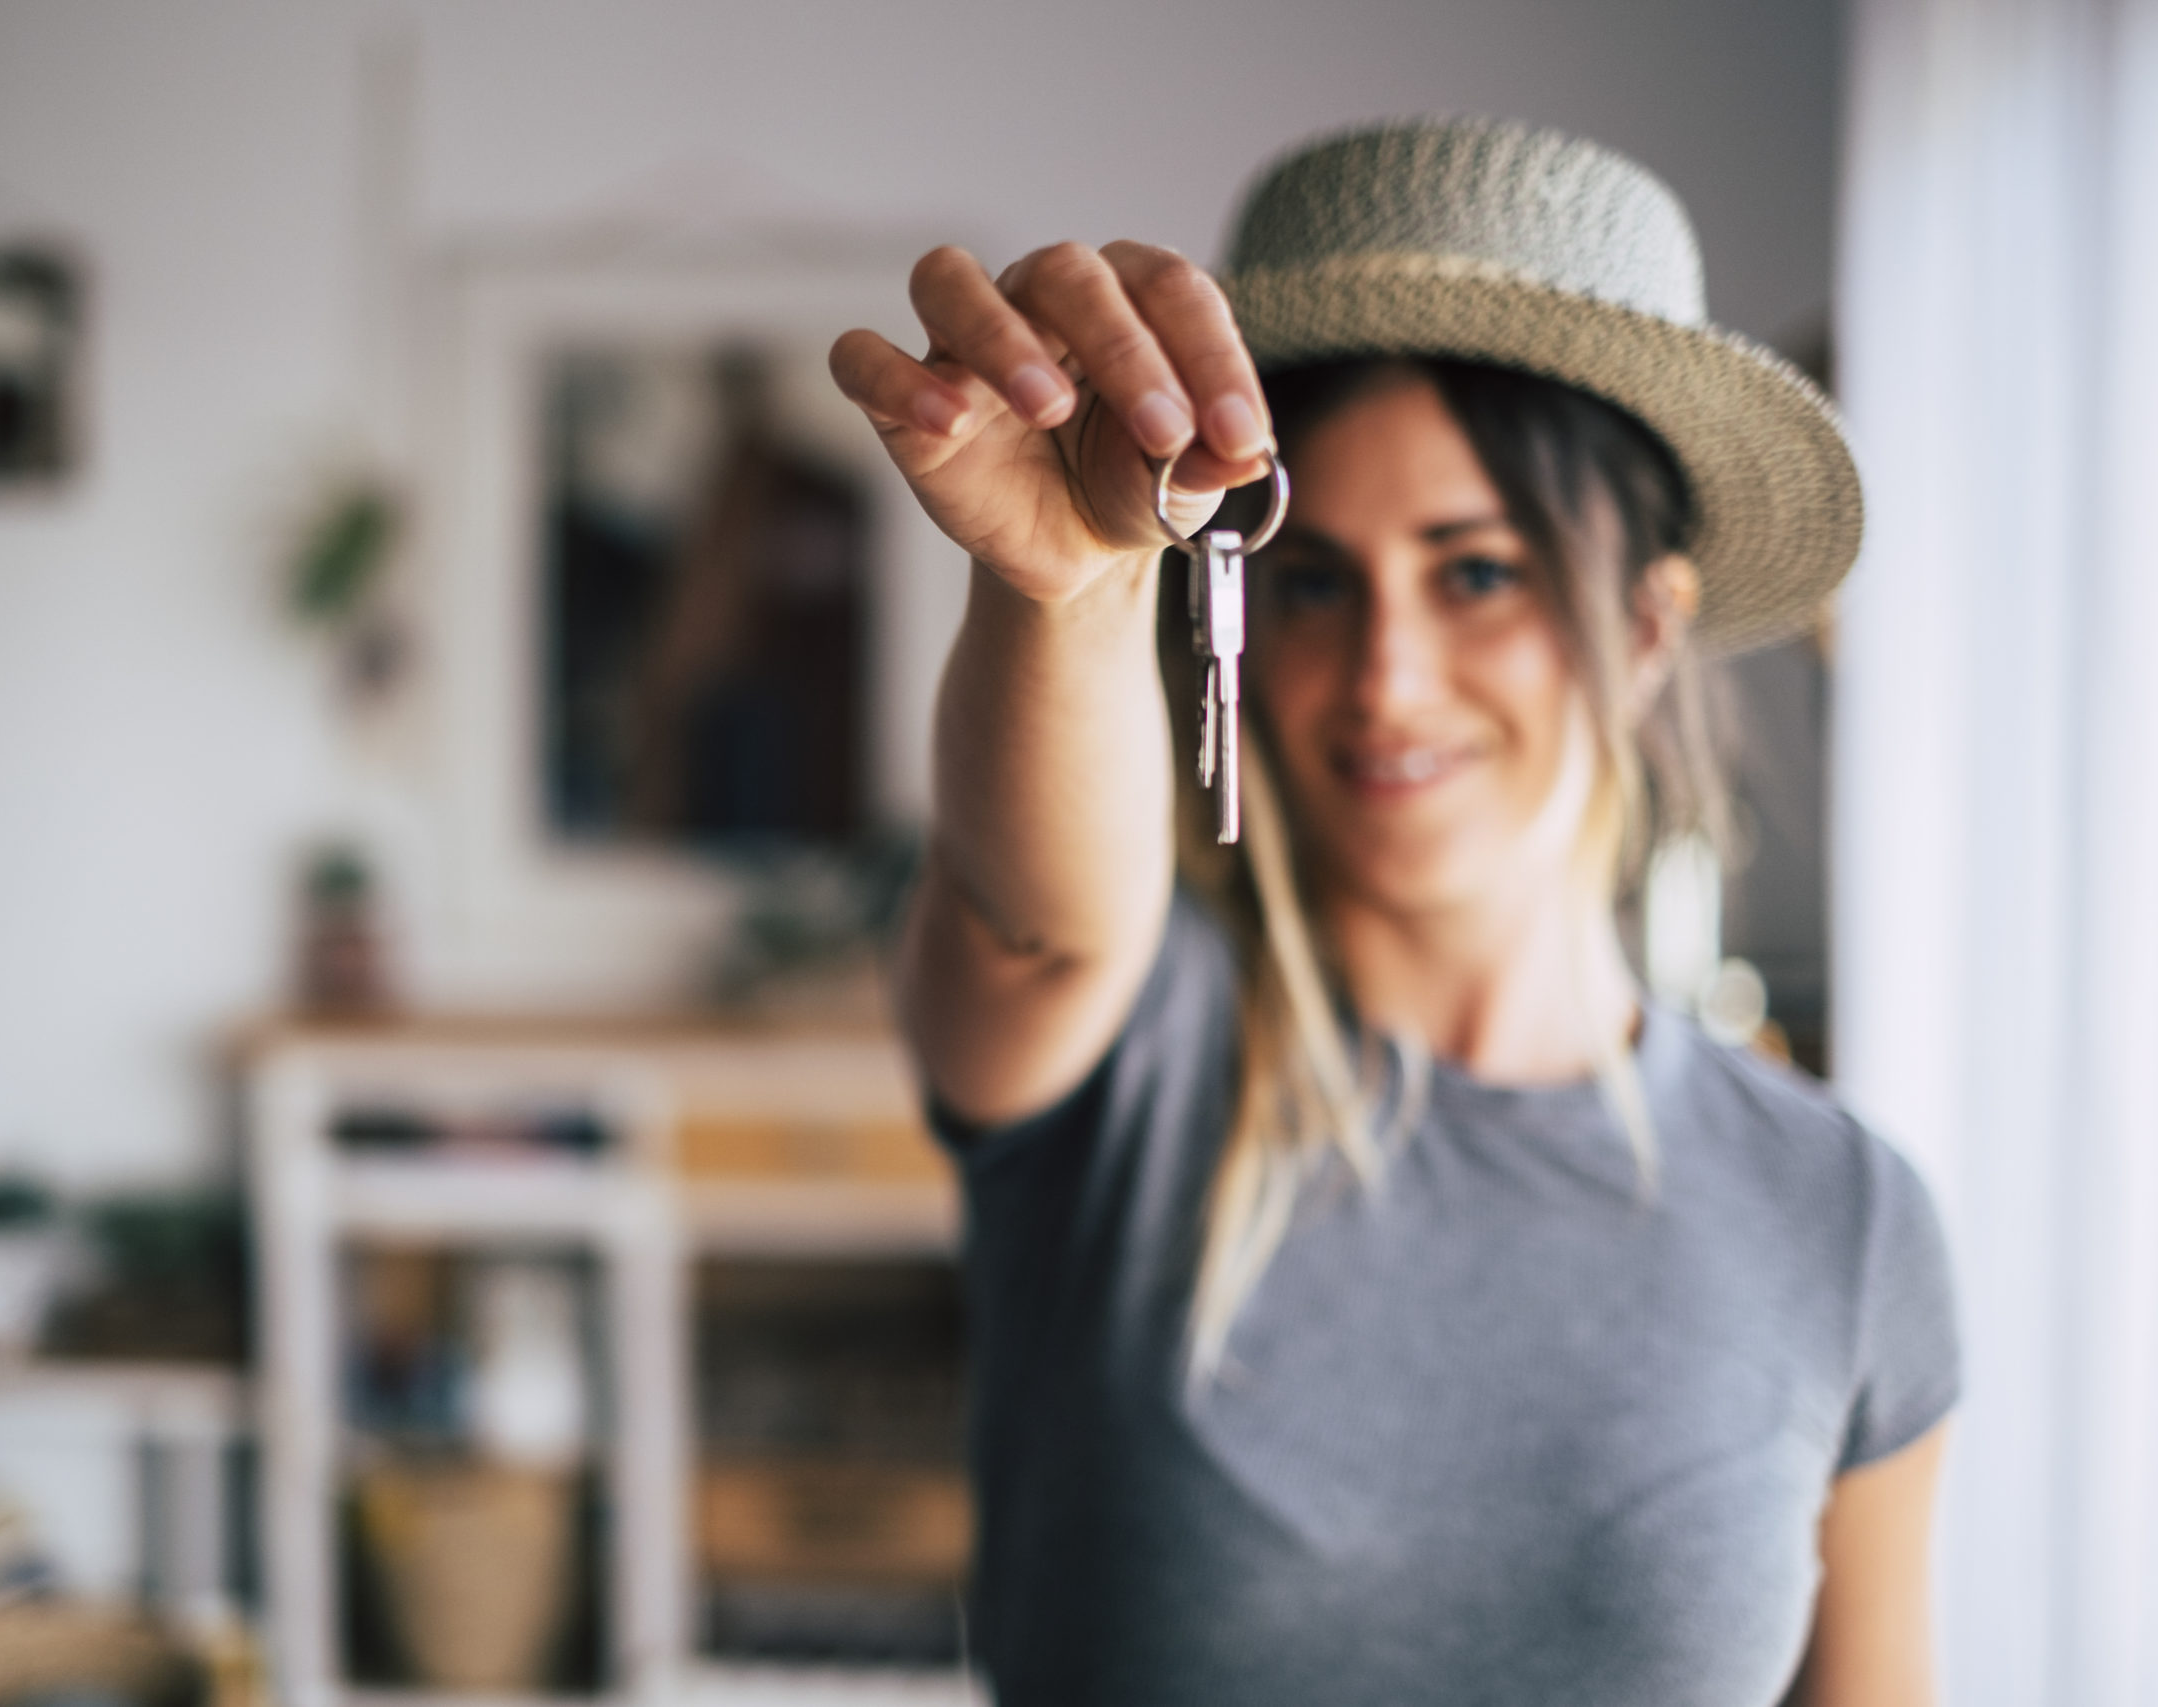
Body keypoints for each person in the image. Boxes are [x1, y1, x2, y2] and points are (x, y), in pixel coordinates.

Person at [829, 118, 1958, 1706]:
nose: (1384, 680)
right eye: (1315, 581)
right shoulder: (1137, 1065)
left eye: (1477, 573)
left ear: (1645, 623)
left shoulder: (1842, 1225)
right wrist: (1065, 593)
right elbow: (1035, 922)